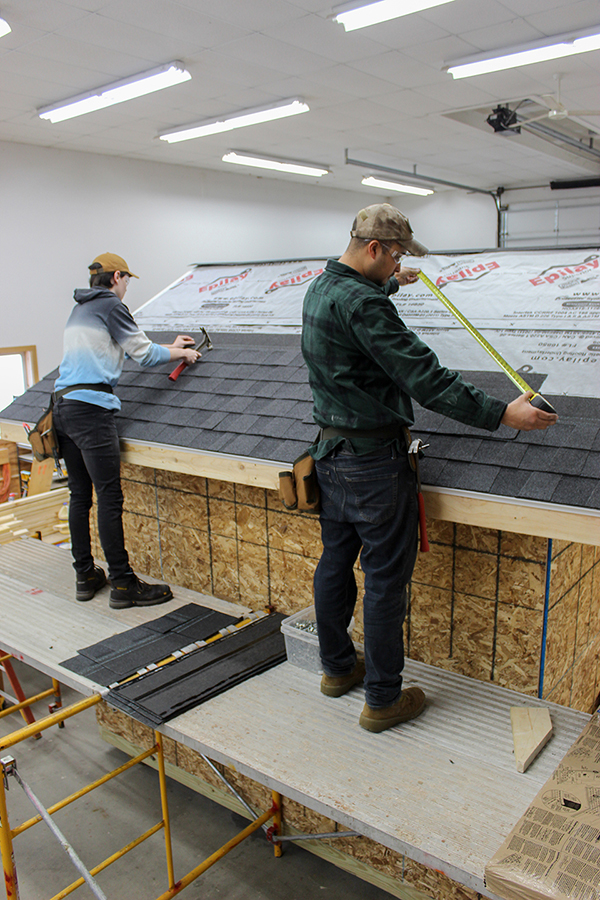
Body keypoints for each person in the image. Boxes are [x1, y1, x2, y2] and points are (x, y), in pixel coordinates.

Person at [301, 204, 557, 734]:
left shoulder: (321, 286)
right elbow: (425, 377)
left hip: (330, 458)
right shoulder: (367, 307)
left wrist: (393, 282)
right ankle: (382, 700)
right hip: (374, 465)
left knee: (334, 565)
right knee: (385, 583)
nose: (397, 262)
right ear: (374, 249)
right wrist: (502, 413)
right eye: (394, 255)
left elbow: (357, 308)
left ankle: (337, 670)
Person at [53, 252, 200, 609]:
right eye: (127, 280)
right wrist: (182, 355)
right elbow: (144, 355)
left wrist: (171, 347)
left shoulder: (81, 309)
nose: (127, 287)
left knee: (79, 495)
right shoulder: (111, 306)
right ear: (117, 277)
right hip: (91, 411)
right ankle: (122, 585)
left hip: (62, 407)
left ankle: (85, 576)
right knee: (109, 497)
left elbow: (125, 347)